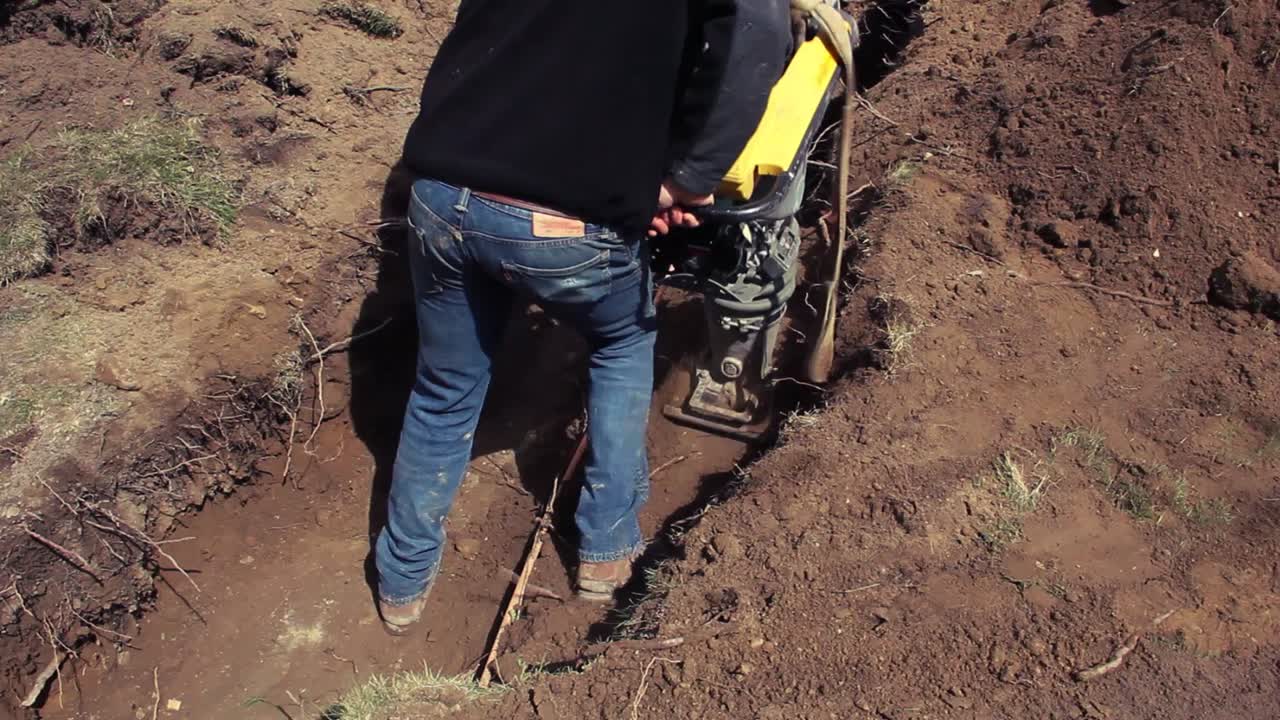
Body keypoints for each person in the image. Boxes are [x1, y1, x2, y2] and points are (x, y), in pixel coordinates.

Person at [374, 0, 790, 635]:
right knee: (622, 339)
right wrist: (683, 182)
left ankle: (401, 581)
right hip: (563, 219)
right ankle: (606, 547)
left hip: (441, 191)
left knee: (446, 384)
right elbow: (757, 30)